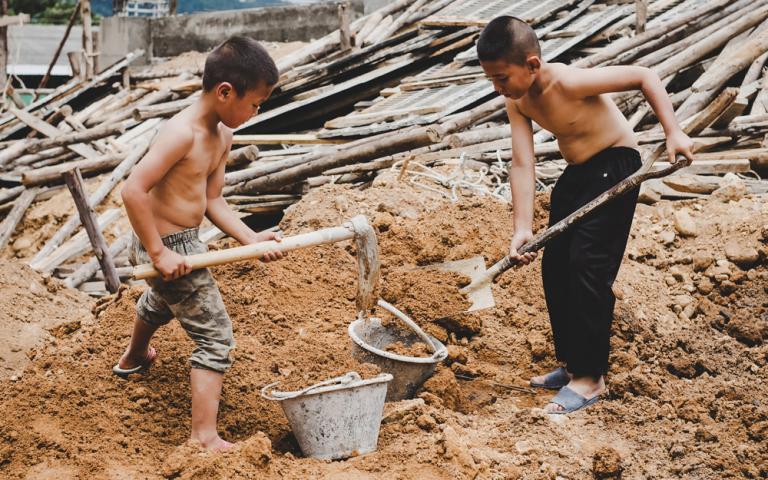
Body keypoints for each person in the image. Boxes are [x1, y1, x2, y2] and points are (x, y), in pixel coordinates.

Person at [477, 16, 694, 413]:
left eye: (501, 78)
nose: (497, 88)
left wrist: (673, 131)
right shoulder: (516, 101)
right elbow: (523, 163)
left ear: (532, 65)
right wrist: (522, 227)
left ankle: (591, 379)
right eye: (490, 79)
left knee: (588, 264)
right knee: (555, 263)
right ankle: (573, 363)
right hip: (579, 173)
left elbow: (644, 75)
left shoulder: (567, 81)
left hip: (616, 162)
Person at [112, 36, 284, 449]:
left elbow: (212, 200)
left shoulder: (222, 136)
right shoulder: (182, 134)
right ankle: (203, 437)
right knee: (216, 337)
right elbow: (133, 190)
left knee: (162, 300)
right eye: (255, 103)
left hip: (185, 243)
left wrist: (251, 238)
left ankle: (133, 357)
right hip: (162, 243)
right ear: (226, 92)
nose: (256, 111)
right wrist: (158, 252)